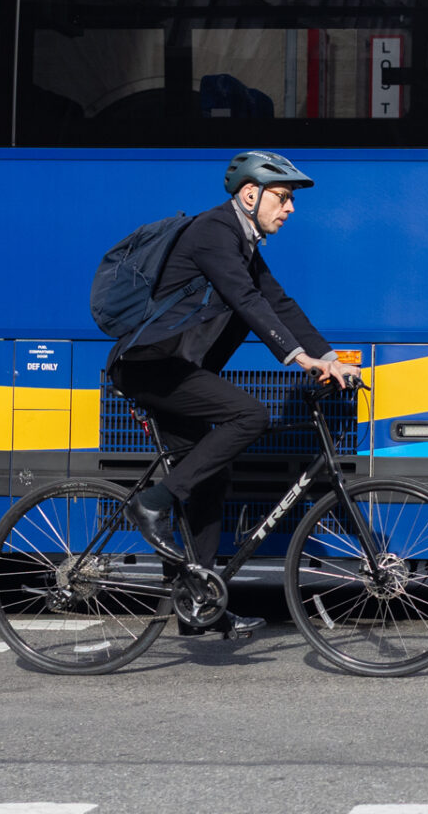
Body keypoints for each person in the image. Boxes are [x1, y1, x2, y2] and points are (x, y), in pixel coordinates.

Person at [109, 149, 359, 640]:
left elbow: (276, 302)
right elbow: (243, 301)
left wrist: (328, 358)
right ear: (250, 195)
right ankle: (153, 502)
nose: (289, 209)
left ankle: (199, 606)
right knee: (250, 414)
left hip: (174, 370)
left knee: (210, 482)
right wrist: (297, 358)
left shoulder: (243, 242)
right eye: (282, 198)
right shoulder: (213, 233)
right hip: (151, 368)